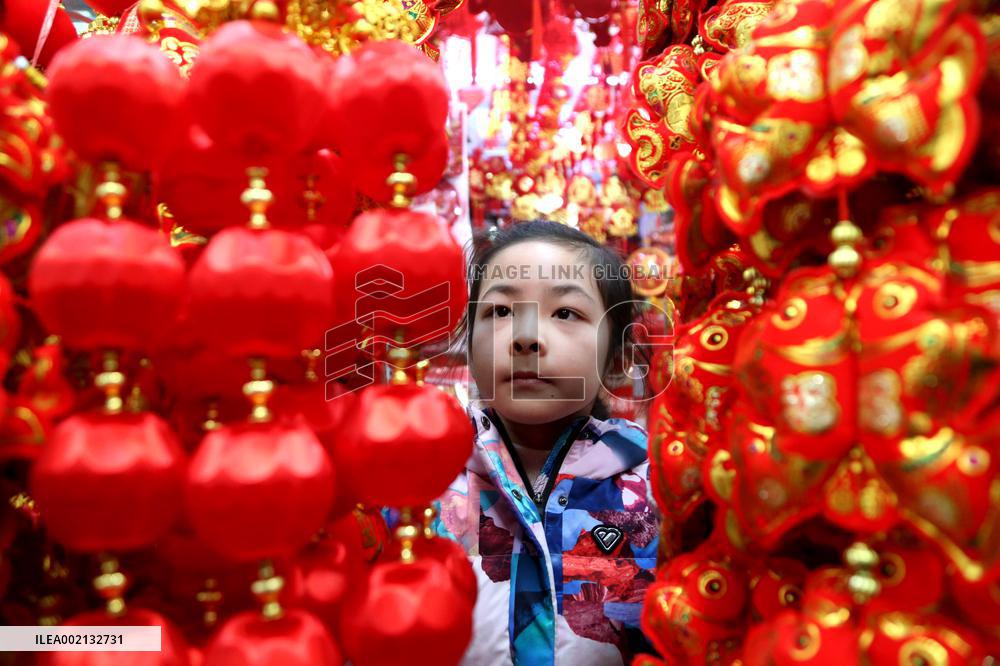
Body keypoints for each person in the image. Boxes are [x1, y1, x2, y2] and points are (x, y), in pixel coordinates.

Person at [433, 221, 658, 665]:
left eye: (565, 313)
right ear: (469, 346)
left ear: (616, 359)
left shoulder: (659, 488)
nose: (526, 337)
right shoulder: (423, 483)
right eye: (499, 312)